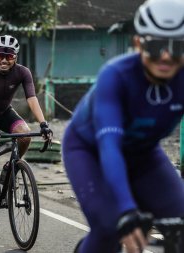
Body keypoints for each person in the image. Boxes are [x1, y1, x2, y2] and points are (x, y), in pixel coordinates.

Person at [62, 0, 184, 252]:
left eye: (177, 47)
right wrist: (127, 211)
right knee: (110, 226)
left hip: (144, 153)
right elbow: (109, 147)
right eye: (156, 45)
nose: (165, 56)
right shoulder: (116, 75)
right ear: (139, 43)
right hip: (90, 150)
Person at [0, 35, 53, 228]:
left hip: (5, 112)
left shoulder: (23, 72)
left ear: (15, 57)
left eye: (9, 56)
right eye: (1, 55)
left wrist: (43, 124)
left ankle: (10, 167)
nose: (4, 60)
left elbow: (32, 99)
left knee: (25, 135)